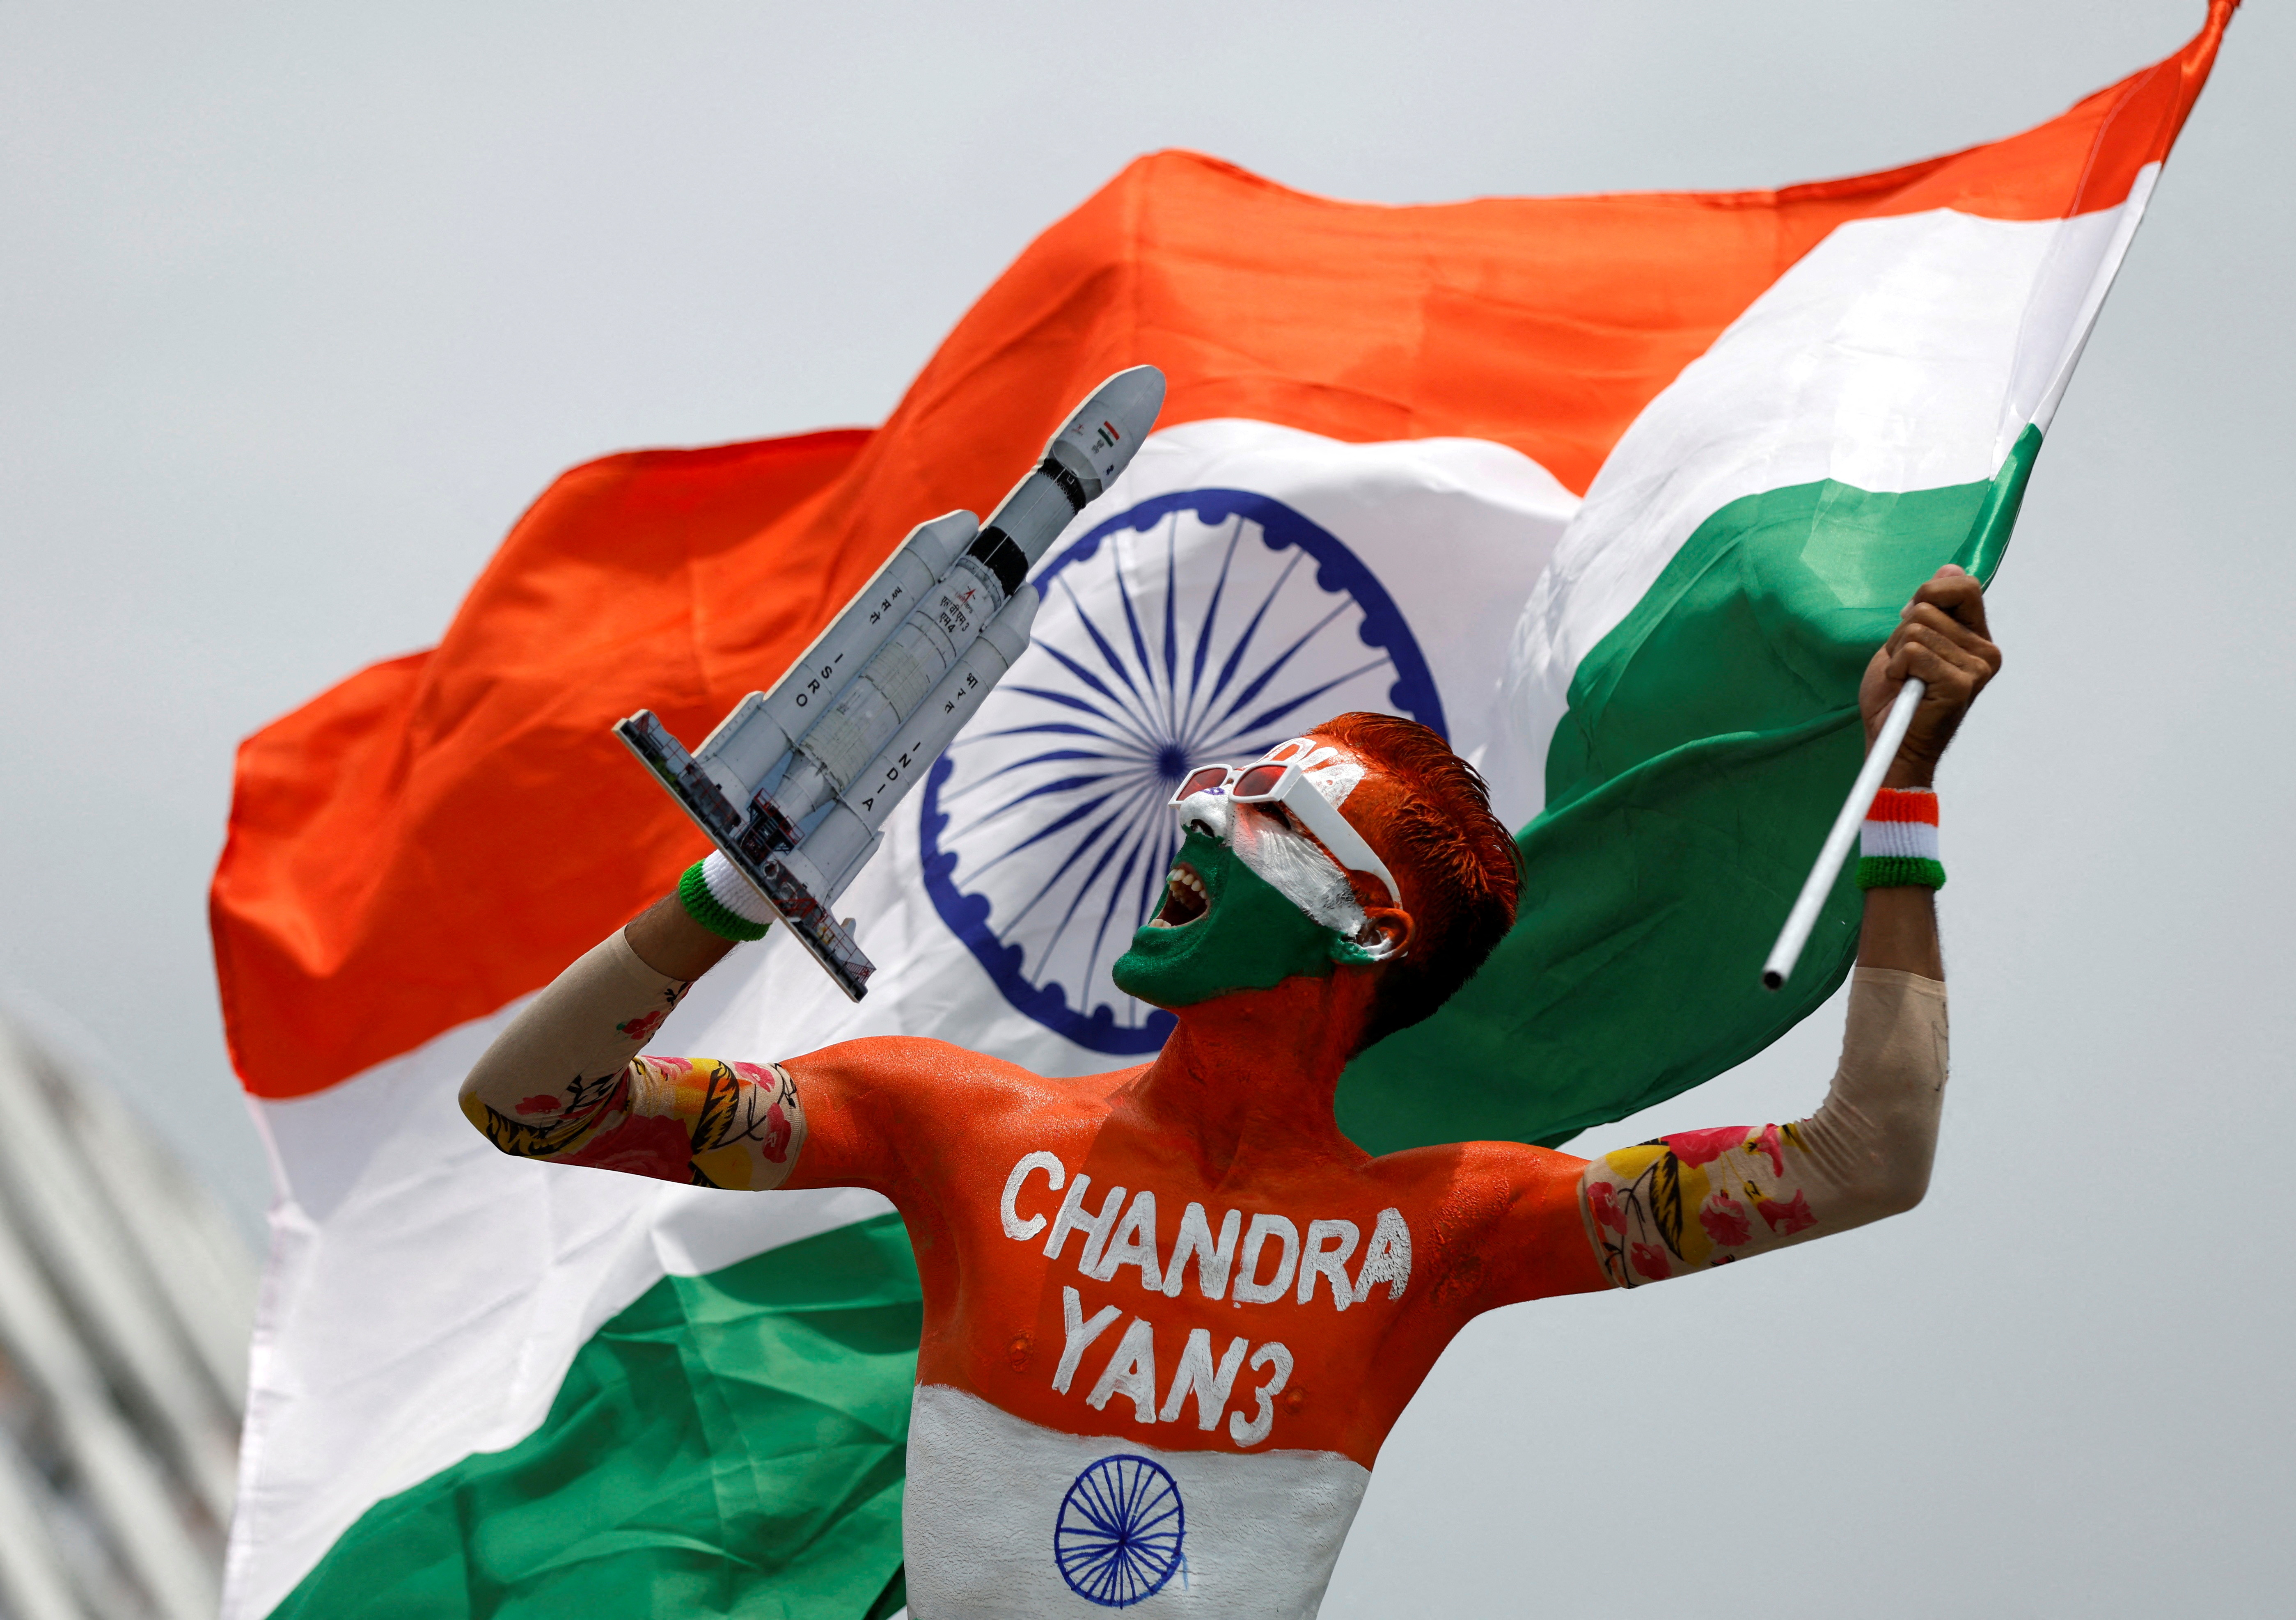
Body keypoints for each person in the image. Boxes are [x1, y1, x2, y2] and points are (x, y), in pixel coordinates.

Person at [461, 566, 1999, 1617]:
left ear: (1370, 928)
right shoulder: (956, 1121)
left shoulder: (1447, 1220)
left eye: (1266, 817)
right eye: (1215, 790)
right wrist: (723, 895)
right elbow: (531, 1104)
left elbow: (1867, 1152)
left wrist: (1903, 787)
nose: (1194, 820)